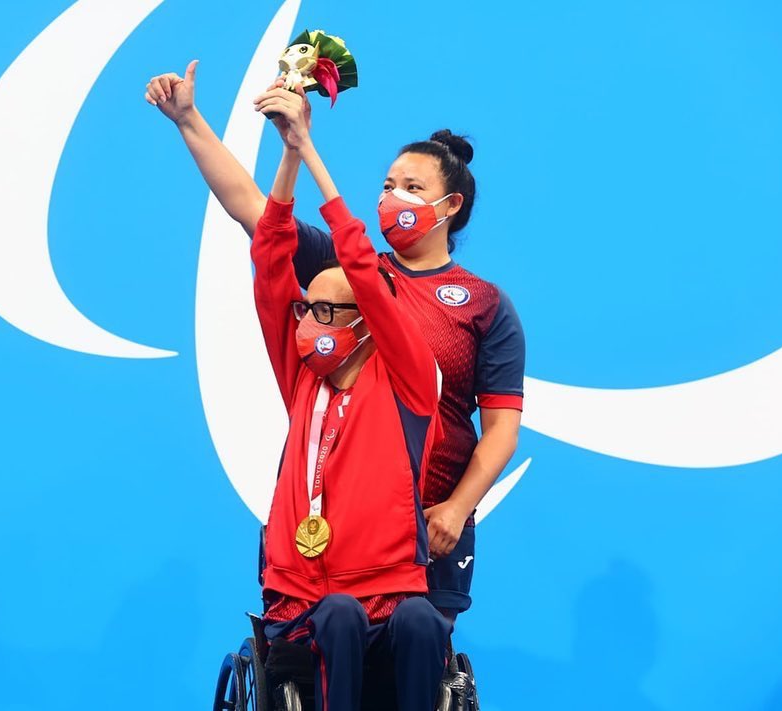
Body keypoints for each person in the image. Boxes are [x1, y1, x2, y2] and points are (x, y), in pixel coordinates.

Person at [145, 63, 525, 622]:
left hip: (428, 523)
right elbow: (252, 208)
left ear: (451, 208)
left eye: (413, 188)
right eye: (389, 185)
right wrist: (188, 121)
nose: (392, 197)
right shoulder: (345, 273)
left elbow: (500, 431)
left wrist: (456, 508)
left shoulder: (485, 305)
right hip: (336, 515)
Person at [251, 89, 449, 711]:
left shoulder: (410, 383)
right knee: (336, 614)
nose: (307, 320)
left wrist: (313, 152)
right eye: (306, 308)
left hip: (389, 587)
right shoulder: (300, 374)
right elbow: (268, 259)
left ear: (368, 321)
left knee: (423, 623)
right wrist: (287, 156)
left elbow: (364, 266)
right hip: (304, 595)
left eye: (325, 311)